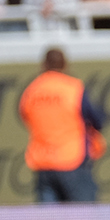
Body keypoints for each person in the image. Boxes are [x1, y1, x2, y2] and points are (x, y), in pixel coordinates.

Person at [19, 47, 104, 203]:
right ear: (65, 64)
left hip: (43, 162)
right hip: (72, 159)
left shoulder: (32, 90)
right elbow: (97, 120)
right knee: (84, 219)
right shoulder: (73, 88)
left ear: (44, 65)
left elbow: (25, 116)